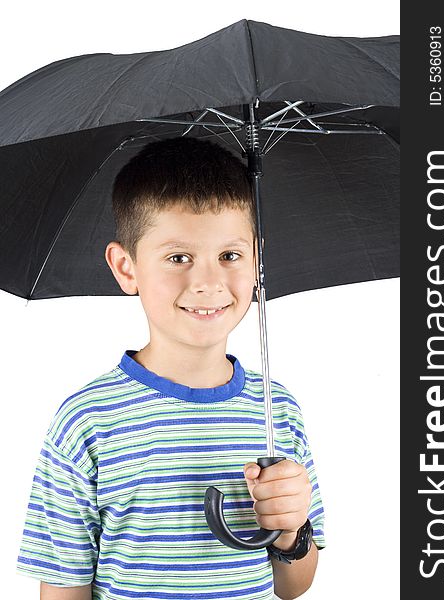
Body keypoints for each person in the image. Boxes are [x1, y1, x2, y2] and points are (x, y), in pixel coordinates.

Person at [16, 137, 325, 600]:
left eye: (230, 255)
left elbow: (292, 585)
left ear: (257, 258)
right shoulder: (87, 421)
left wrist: (289, 529)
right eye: (178, 258)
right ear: (126, 267)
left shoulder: (275, 409)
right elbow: (63, 587)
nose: (207, 282)